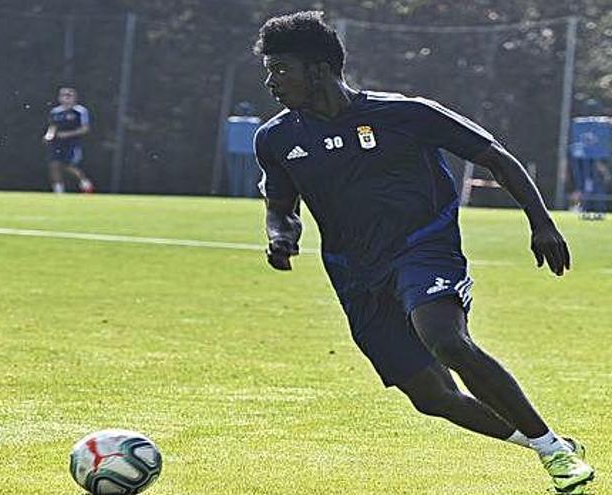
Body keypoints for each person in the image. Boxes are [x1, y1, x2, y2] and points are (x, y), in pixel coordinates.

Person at [253, 11, 594, 494]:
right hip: (355, 275)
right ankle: (551, 441)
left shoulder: (405, 114)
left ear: (319, 68)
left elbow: (493, 155)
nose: (271, 81)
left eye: (280, 69)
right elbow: (281, 206)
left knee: (447, 341)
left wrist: (541, 222)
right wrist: (280, 235)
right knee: (432, 397)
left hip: (424, 249)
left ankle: (553, 454)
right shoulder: (275, 138)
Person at [43, 86, 94, 193]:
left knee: (68, 165)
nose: (66, 98)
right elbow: (52, 126)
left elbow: (85, 129)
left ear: (74, 98)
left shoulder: (80, 111)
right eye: (63, 96)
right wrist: (49, 135)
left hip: (72, 143)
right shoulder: (55, 112)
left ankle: (85, 184)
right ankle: (58, 190)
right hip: (57, 143)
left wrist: (67, 134)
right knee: (53, 165)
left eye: (69, 96)